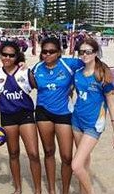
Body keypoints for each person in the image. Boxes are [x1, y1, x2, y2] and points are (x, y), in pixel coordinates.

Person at [32, 37, 84, 194]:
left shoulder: (69, 64)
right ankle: (52, 190)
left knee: (67, 156)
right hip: (43, 113)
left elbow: (91, 63)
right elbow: (27, 83)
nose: (47, 54)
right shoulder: (36, 68)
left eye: (51, 51)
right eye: (44, 52)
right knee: (48, 152)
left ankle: (65, 191)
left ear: (59, 52)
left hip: (64, 114)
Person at [0, 41, 42, 194]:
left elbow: (42, 86)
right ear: (0, 54)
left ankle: (38, 190)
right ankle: (18, 188)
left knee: (33, 153)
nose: (7, 57)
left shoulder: (25, 72)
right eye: (4, 54)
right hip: (8, 117)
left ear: (16, 56)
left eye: (11, 55)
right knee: (13, 153)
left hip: (25, 115)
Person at [71, 38, 114, 194]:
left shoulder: (102, 74)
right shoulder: (77, 74)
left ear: (95, 53)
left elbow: (111, 103)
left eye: (88, 51)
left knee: (76, 165)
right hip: (77, 121)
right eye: (81, 52)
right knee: (84, 162)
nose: (84, 54)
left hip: (94, 125)